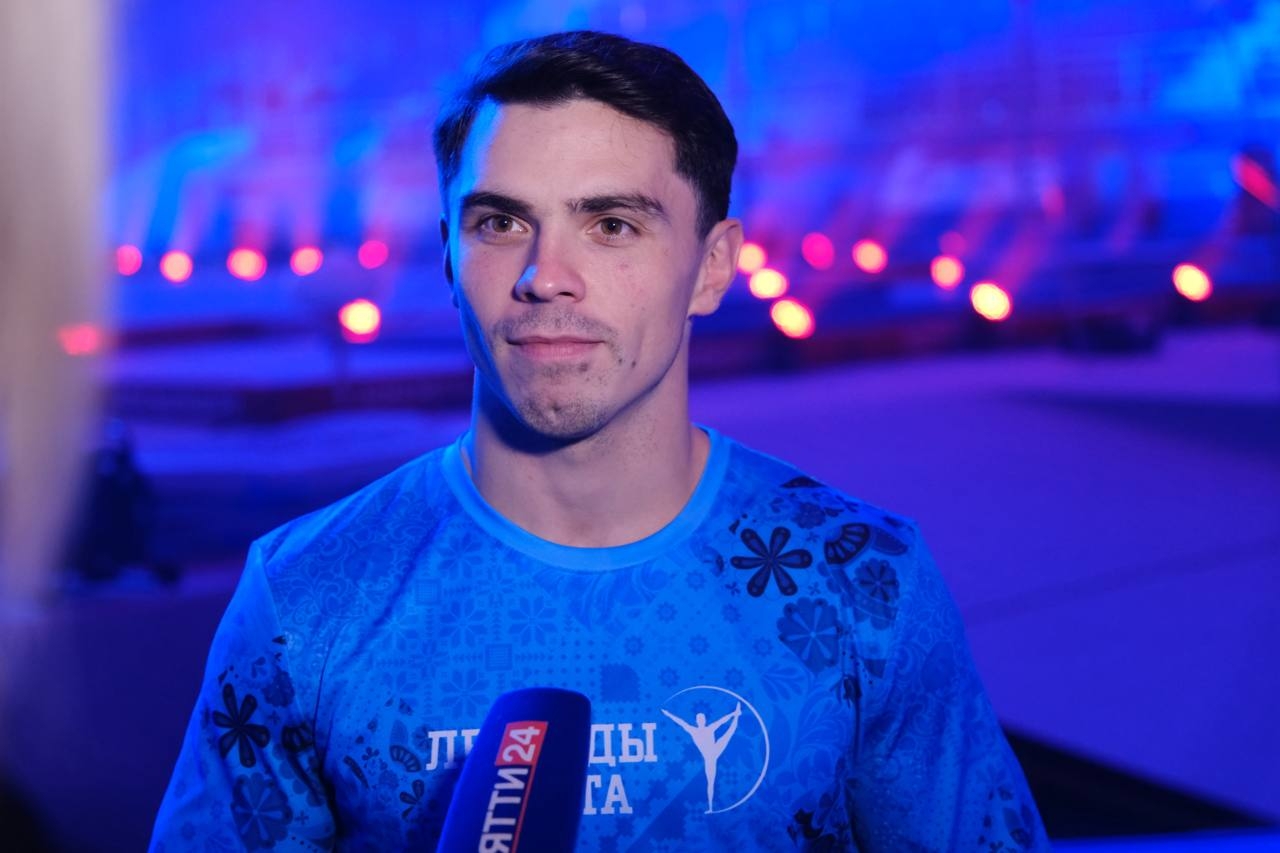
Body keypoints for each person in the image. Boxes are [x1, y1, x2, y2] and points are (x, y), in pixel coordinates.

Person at [152, 30, 1046, 851]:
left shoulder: (863, 582)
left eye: (612, 224)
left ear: (713, 266)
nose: (546, 276)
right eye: (501, 223)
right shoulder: (307, 597)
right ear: (451, 254)